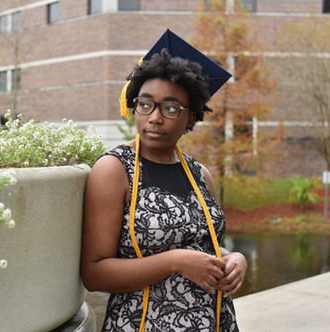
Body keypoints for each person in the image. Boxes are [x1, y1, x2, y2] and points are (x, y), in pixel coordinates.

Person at [81, 29, 247, 332]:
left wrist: (233, 258)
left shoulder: (200, 175)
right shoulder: (114, 170)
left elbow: (203, 248)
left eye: (170, 108)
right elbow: (94, 273)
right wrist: (174, 261)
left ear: (191, 118)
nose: (154, 117)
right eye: (145, 104)